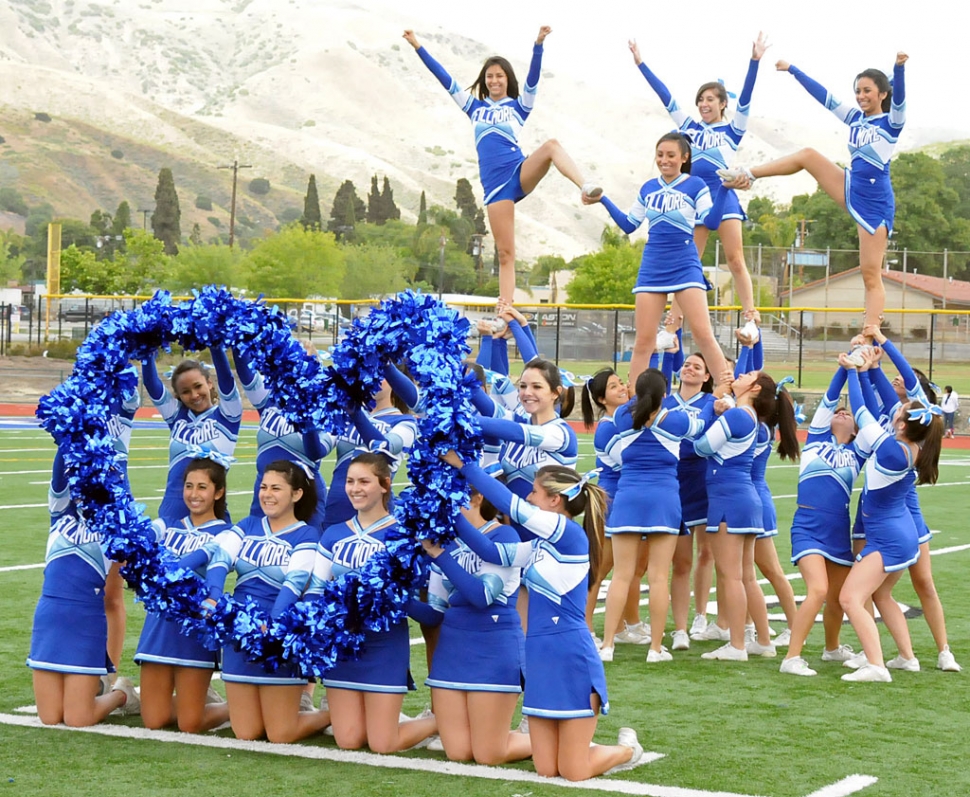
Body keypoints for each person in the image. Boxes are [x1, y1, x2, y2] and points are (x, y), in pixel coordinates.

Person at [441, 452, 643, 781]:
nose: (528, 497)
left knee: (574, 772)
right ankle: (589, 748)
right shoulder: (538, 544)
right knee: (547, 770)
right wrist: (448, 513)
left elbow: (511, 505)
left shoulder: (567, 534)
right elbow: (491, 552)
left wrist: (464, 466)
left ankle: (627, 750)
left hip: (569, 654)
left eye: (534, 492)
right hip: (539, 656)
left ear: (554, 500)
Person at [404, 27, 601, 303]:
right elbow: (444, 79)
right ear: (485, 81)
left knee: (552, 146)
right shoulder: (474, 108)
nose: (495, 80)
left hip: (519, 172)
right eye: (490, 76)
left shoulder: (519, 107)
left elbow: (533, 80)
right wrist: (417, 45)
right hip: (496, 186)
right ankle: (504, 309)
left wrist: (538, 45)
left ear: (507, 79)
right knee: (506, 253)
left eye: (499, 75)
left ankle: (585, 186)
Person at [719, 53, 908, 331]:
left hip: (875, 205)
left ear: (882, 93)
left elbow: (901, 99)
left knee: (870, 273)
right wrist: (793, 70)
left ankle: (870, 333)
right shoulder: (855, 119)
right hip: (850, 187)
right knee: (807, 155)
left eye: (867, 90)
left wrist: (898, 69)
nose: (860, 96)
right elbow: (825, 97)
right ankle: (747, 174)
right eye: (857, 91)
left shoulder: (891, 123)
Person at [179, 460, 331, 742]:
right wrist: (214, 594)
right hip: (239, 632)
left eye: (276, 488)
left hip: (276, 637)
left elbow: (293, 583)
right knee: (247, 733)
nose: (267, 494)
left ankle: (332, 713)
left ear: (296, 494)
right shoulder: (248, 524)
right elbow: (220, 560)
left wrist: (271, 627)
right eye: (263, 487)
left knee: (280, 735)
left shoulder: (307, 534)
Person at [629, 33, 769, 331]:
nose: (704, 104)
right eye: (701, 99)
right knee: (688, 262)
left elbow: (745, 100)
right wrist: (641, 64)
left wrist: (754, 62)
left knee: (734, 257)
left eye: (710, 99)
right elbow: (666, 97)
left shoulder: (732, 130)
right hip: (692, 199)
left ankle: (750, 312)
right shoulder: (689, 128)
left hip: (722, 196)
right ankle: (673, 323)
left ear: (722, 103)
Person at [305, 454, 438, 753]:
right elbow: (315, 589)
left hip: (385, 646)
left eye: (364, 481)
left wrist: (395, 598)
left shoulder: (404, 536)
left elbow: (428, 610)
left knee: (383, 744)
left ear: (385, 485)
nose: (355, 488)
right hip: (343, 648)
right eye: (350, 481)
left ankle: (444, 720)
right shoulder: (334, 534)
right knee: (349, 740)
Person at [584, 132, 730, 387]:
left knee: (703, 335)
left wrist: (725, 190)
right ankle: (633, 403)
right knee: (644, 342)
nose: (664, 160)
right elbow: (629, 225)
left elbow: (712, 222)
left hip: (685, 264)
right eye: (660, 155)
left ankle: (728, 392)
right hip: (652, 266)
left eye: (671, 155)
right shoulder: (649, 188)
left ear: (684, 158)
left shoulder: (695, 185)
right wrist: (603, 199)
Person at [837, 352, 943, 683]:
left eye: (899, 411)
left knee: (850, 598)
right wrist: (870, 369)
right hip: (898, 534)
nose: (895, 408)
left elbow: (863, 410)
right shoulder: (911, 448)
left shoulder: (890, 451)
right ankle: (906, 658)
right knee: (877, 595)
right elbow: (875, 405)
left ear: (901, 423)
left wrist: (854, 372)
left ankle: (876, 665)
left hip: (889, 539)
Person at [418, 486, 531, 765]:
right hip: (453, 652)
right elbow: (434, 614)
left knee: (488, 755)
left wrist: (439, 555)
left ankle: (561, 737)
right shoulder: (447, 542)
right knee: (458, 752)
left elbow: (482, 596)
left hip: (493, 650)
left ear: (477, 498)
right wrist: (390, 597)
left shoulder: (504, 536)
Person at [599, 368, 706, 663]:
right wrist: (719, 400)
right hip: (663, 501)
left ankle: (607, 645)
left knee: (621, 576)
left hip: (628, 499)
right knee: (658, 578)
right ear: (664, 394)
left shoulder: (622, 416)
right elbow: (702, 426)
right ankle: (655, 649)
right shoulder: (675, 419)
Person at [27, 447, 139, 726]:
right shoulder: (59, 513)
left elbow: (122, 491)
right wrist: (73, 427)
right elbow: (59, 467)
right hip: (49, 620)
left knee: (78, 718)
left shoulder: (113, 527)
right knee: (50, 718)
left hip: (85, 623)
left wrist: (110, 456)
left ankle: (120, 694)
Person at [693, 370, 799, 661]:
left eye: (748, 374)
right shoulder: (748, 416)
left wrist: (712, 409)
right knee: (746, 577)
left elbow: (701, 447)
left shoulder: (739, 416)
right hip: (743, 497)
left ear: (753, 388)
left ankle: (737, 645)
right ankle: (762, 640)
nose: (740, 374)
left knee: (731, 577)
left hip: (730, 498)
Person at [779, 362, 869, 676]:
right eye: (837, 413)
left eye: (848, 413)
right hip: (808, 526)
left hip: (837, 531)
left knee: (838, 598)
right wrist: (846, 369)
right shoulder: (816, 439)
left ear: (857, 428)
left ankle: (832, 648)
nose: (841, 413)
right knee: (817, 590)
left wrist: (863, 371)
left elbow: (865, 408)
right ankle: (791, 657)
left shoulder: (858, 452)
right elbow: (830, 398)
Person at [134, 457, 232, 731]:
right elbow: (138, 543)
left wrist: (162, 570)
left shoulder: (226, 533)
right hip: (158, 630)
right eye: (189, 486)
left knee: (191, 723)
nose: (193, 494)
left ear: (218, 492)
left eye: (202, 487)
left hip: (194, 631)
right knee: (154, 721)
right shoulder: (166, 524)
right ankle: (126, 695)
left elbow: (196, 561)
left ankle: (235, 706)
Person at [580, 368, 648, 646]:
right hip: (611, 500)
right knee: (601, 567)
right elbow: (630, 459)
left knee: (631, 568)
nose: (622, 388)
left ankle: (623, 625)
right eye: (613, 387)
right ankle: (585, 629)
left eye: (622, 383)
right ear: (601, 399)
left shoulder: (622, 422)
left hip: (628, 499)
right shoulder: (608, 427)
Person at [235, 349, 334, 529]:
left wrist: (306, 413)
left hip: (305, 496)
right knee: (255, 549)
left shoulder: (328, 410)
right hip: (266, 491)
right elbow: (244, 369)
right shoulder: (269, 399)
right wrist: (237, 329)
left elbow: (315, 452)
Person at [141, 350, 242, 525]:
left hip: (210, 517)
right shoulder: (176, 416)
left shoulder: (228, 415)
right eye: (186, 391)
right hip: (170, 516)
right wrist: (146, 349)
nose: (194, 395)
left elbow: (226, 379)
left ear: (209, 383)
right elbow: (151, 383)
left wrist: (214, 342)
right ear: (179, 395)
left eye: (198, 386)